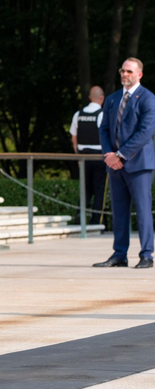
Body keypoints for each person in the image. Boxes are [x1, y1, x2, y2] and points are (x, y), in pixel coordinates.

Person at [95, 58, 155, 270]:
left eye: (129, 71)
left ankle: (147, 254)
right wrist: (109, 155)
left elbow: (146, 132)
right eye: (122, 70)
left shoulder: (147, 98)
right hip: (114, 165)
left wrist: (120, 155)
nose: (124, 74)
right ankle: (119, 254)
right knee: (119, 211)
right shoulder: (112, 99)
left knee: (143, 210)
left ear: (139, 74)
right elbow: (104, 129)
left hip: (138, 164)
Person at [70, 86, 106, 225]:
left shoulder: (78, 114)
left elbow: (74, 138)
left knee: (84, 188)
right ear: (102, 98)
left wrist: (78, 155)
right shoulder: (102, 114)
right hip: (98, 156)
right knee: (99, 189)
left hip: (83, 156)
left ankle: (80, 216)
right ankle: (96, 221)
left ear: (90, 97)